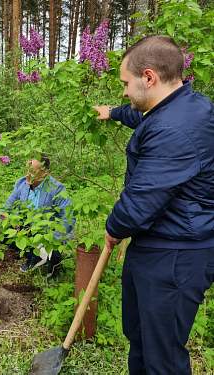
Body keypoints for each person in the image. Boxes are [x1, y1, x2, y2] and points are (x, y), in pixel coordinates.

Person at [94, 35, 214, 374]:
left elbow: (140, 201)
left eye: (125, 84)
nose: (123, 91)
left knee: (161, 357)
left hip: (175, 255)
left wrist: (113, 228)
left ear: (149, 77)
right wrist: (113, 113)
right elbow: (143, 117)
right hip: (162, 245)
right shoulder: (185, 105)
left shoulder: (174, 131)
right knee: (142, 338)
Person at [0, 154, 73, 274]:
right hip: (26, 229)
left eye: (33, 171)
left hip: (46, 233)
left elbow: (68, 219)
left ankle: (43, 257)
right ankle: (30, 254)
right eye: (28, 170)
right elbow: (7, 207)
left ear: (45, 172)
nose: (28, 175)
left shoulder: (57, 189)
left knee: (53, 255)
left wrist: (52, 239)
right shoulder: (21, 184)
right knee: (2, 230)